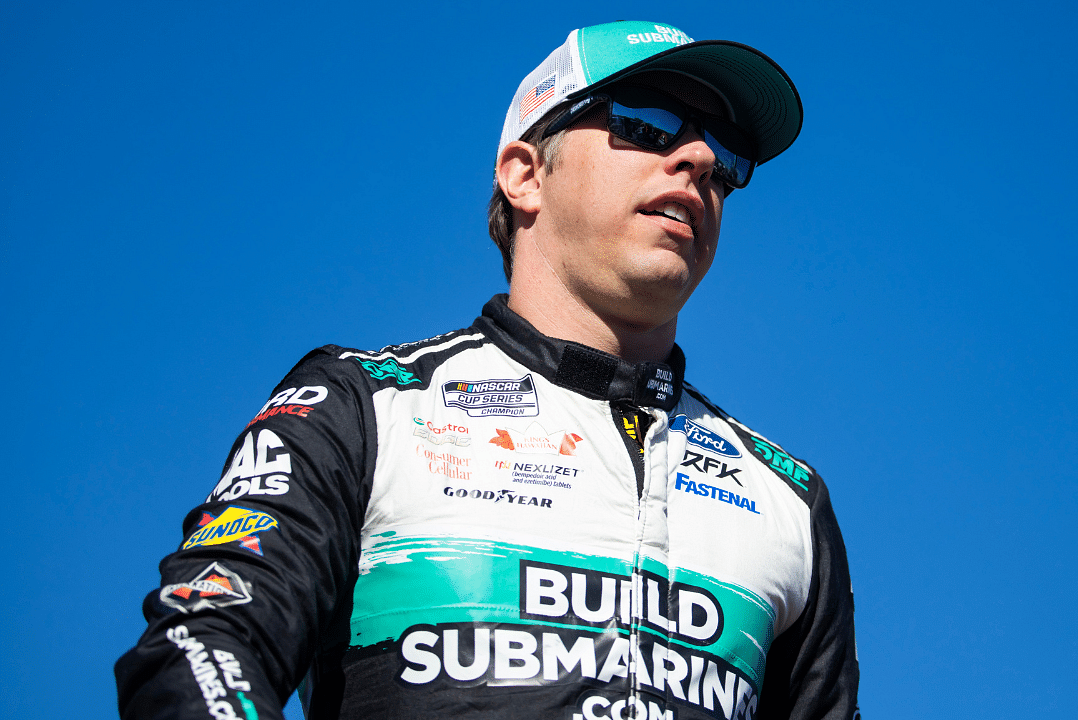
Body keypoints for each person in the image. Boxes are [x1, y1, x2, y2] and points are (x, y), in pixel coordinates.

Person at [116, 20, 860, 720]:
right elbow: (202, 643)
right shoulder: (365, 407)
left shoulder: (787, 499)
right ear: (525, 174)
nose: (697, 160)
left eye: (727, 155)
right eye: (645, 121)